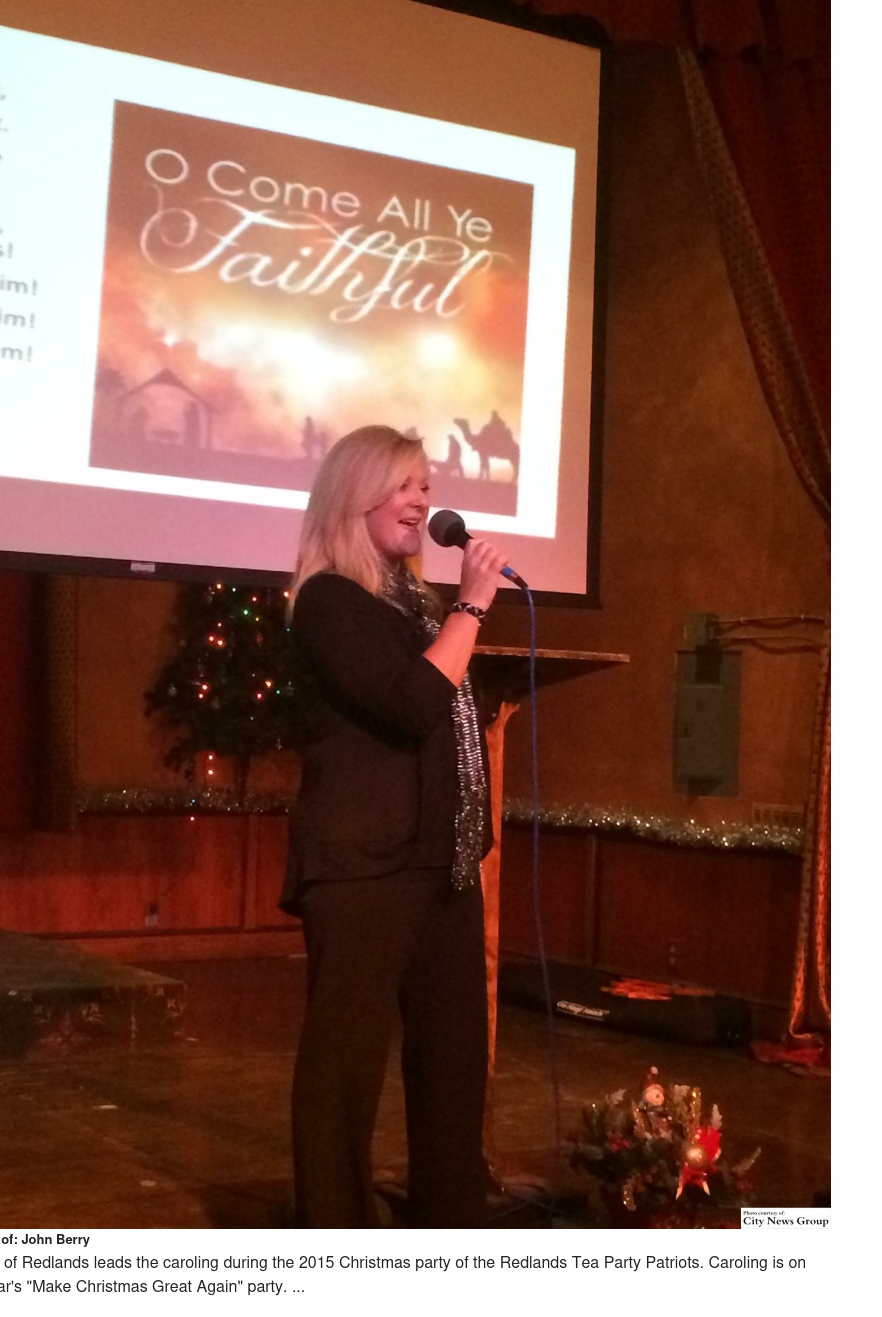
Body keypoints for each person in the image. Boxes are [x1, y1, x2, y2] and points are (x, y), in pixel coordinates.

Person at [282, 424, 508, 1228]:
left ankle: (450, 1222)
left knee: (452, 1059)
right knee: (345, 1064)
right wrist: (471, 607)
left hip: (441, 856)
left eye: (425, 486)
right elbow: (410, 703)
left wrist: (457, 623)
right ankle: (335, 1233)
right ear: (355, 496)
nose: (422, 502)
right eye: (404, 485)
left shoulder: (414, 608)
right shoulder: (329, 601)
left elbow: (440, 702)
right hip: (364, 862)